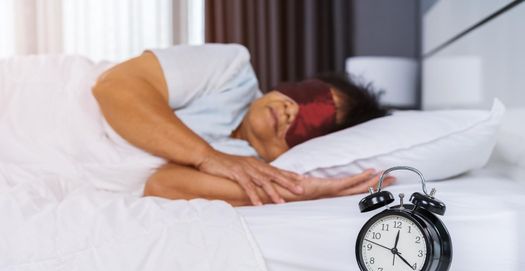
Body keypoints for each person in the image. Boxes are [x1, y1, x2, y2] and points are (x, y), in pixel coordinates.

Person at [92, 44, 394, 206]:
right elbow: (114, 87)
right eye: (305, 96)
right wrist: (208, 156)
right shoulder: (230, 68)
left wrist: (304, 192)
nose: (291, 110)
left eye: (313, 120)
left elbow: (162, 186)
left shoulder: (252, 168)